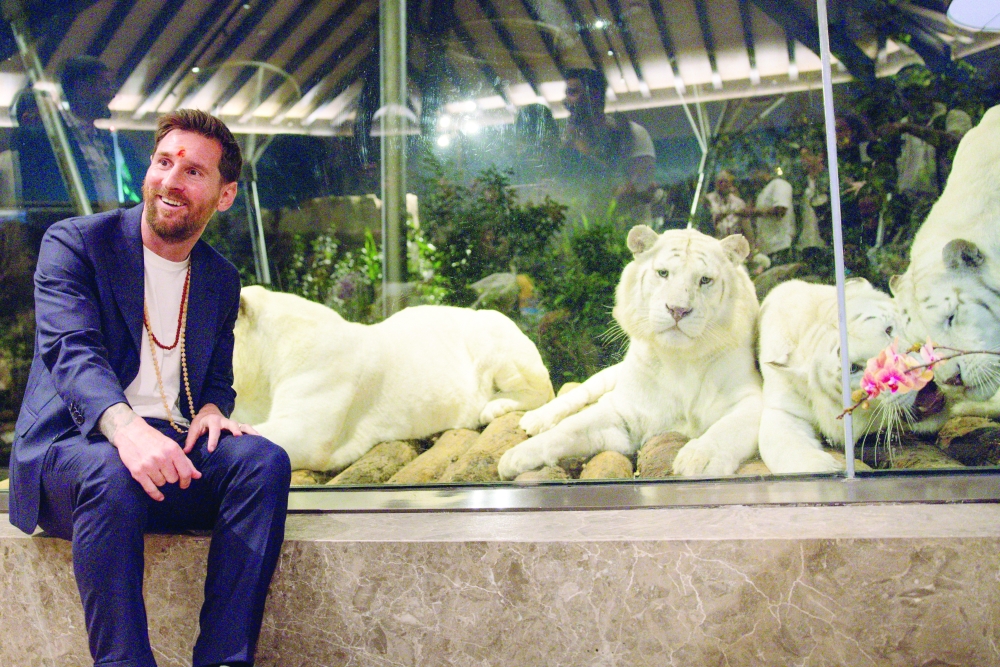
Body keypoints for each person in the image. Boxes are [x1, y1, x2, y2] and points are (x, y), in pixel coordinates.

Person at [8, 109, 291, 667]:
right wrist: (127, 430)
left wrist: (212, 410)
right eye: (163, 162)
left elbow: (217, 378)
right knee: (112, 471)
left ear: (225, 195)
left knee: (263, 463)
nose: (171, 180)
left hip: (168, 450)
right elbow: (72, 353)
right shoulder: (77, 244)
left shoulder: (219, 277)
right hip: (74, 451)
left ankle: (224, 659)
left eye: (193, 171)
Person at [13, 55, 145, 212]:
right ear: (82, 89)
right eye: (105, 85)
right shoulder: (44, 140)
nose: (112, 94)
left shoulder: (115, 142)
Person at [876, 65, 972, 242]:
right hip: (910, 212)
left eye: (918, 91)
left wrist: (908, 128)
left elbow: (956, 144)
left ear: (931, 90)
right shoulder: (900, 127)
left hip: (947, 208)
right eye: (907, 93)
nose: (914, 98)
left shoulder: (952, 117)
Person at [559, 68, 658, 215]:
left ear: (594, 95)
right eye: (567, 93)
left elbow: (641, 188)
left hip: (625, 226)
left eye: (572, 92)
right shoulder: (568, 141)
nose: (565, 102)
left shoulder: (632, 134)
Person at [741, 162, 796, 265]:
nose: (752, 179)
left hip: (780, 246)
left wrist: (752, 212)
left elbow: (781, 210)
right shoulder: (763, 192)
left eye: (754, 174)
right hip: (767, 249)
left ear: (763, 172)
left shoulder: (779, 184)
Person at [704, 169, 752, 244]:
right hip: (713, 243)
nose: (723, 184)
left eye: (726, 181)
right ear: (716, 183)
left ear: (731, 183)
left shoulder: (739, 203)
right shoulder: (708, 200)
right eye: (720, 182)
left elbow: (747, 230)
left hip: (733, 244)